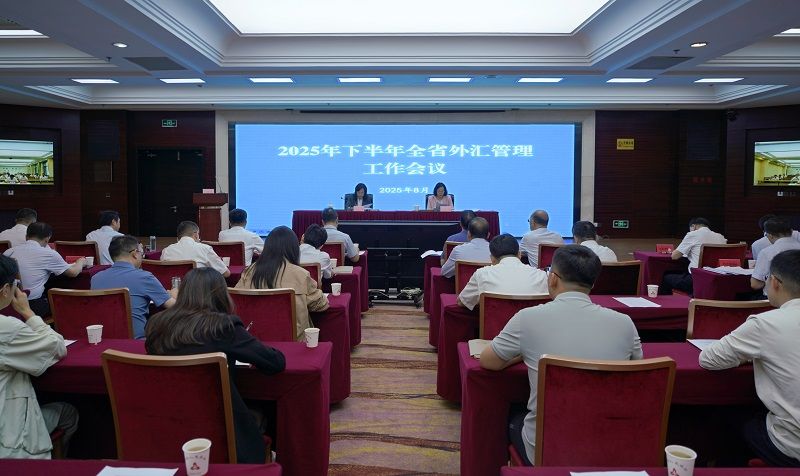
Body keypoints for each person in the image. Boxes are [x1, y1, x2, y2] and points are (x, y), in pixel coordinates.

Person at [480, 245, 642, 465]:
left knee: (511, 415)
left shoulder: (528, 318)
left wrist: (522, 354)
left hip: (546, 449)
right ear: (593, 283)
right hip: (610, 445)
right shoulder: (625, 323)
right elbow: (636, 372)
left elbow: (488, 361)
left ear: (553, 278)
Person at [145, 267, 285, 464]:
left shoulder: (156, 324)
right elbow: (275, 362)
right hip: (221, 427)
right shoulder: (223, 326)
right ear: (220, 295)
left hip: (164, 422)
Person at [700, 250, 800, 467]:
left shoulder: (766, 323)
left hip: (791, 446)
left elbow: (708, 359)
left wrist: (748, 356)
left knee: (725, 416)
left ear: (775, 282)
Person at [0, 254, 79, 459]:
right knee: (68, 412)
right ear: (6, 290)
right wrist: (27, 312)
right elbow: (56, 347)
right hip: (8, 437)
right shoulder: (7, 328)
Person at [236, 226, 329, 340]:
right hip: (293, 342)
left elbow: (235, 301)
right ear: (294, 249)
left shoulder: (249, 272)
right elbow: (320, 304)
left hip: (254, 341)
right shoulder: (300, 274)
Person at [91, 235, 177, 339]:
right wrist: (173, 295)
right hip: (136, 342)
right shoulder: (144, 277)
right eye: (141, 253)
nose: (142, 256)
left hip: (104, 340)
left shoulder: (95, 278)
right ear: (135, 254)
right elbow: (172, 306)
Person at [3, 223, 85, 317]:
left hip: (6, 304)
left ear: (26, 237)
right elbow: (73, 273)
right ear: (47, 239)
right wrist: (81, 261)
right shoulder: (49, 253)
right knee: (64, 304)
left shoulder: (8, 252)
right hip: (31, 306)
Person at [457, 234, 548, 310]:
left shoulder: (482, 274)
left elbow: (462, 302)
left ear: (492, 259)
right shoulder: (542, 276)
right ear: (519, 254)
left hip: (495, 327)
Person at [661, 217, 726, 294]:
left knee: (666, 277)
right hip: (715, 279)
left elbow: (675, 256)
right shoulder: (721, 237)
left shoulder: (693, 234)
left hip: (695, 279)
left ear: (693, 226)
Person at [161, 221, 230, 278]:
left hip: (174, 289)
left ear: (178, 237)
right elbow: (225, 273)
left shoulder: (166, 251)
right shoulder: (205, 248)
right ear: (196, 235)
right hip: (199, 289)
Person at [750, 218, 800, 295]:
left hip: (775, 299)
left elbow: (755, 285)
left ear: (770, 235)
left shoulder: (767, 252)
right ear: (791, 231)